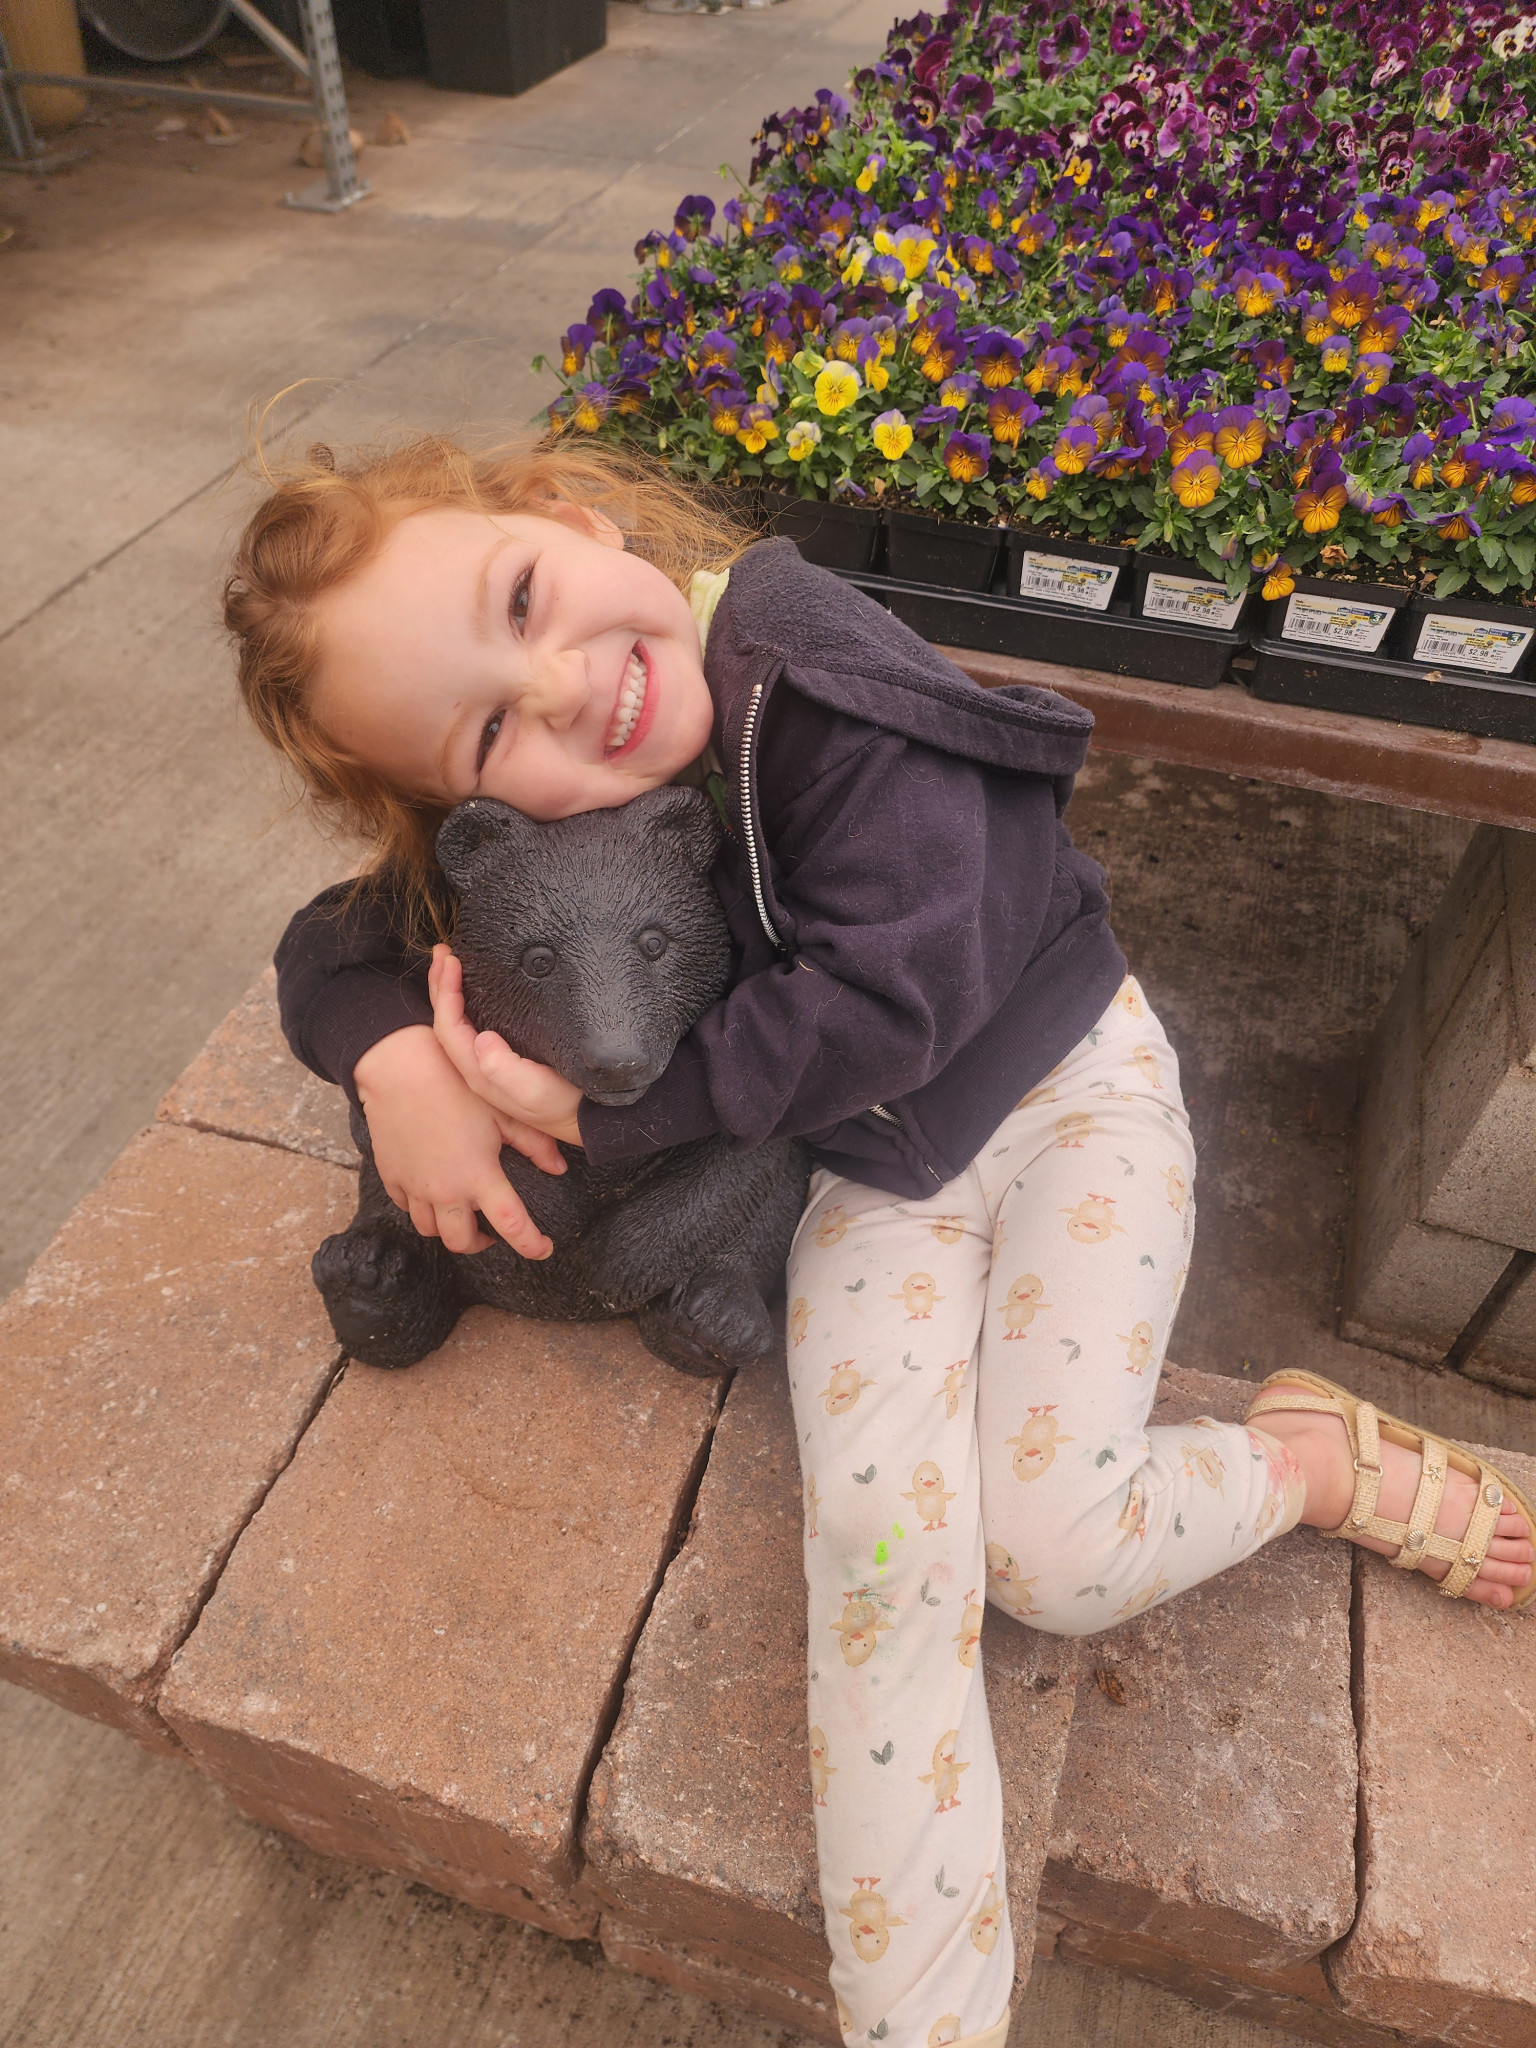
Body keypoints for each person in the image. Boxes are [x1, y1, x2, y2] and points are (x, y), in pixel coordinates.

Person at [228, 432, 1535, 2048]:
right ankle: (921, 2021)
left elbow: (893, 1001)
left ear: (574, 518)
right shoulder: (568, 791)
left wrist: (615, 1116)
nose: (562, 687)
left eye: (523, 599)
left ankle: (1305, 1464)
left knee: (1053, 1555)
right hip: (867, 1169)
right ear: (462, 802)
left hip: (1064, 1098)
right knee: (878, 1545)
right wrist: (392, 1059)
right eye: (488, 726)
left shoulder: (814, 671)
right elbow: (333, 940)